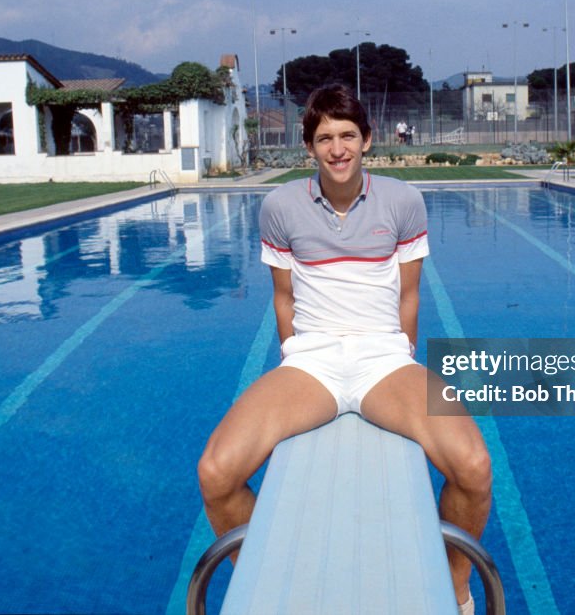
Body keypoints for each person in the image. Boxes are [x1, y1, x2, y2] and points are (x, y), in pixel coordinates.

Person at [198, 84, 492, 615]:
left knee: (472, 465)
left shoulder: (403, 201)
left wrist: (401, 355)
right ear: (308, 146)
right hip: (313, 361)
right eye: (325, 137)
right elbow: (283, 297)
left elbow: (408, 293)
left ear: (368, 140)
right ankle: (258, 579)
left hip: (383, 359)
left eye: (348, 136)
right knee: (217, 472)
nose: (338, 149)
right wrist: (296, 358)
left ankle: (456, 587)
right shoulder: (280, 206)